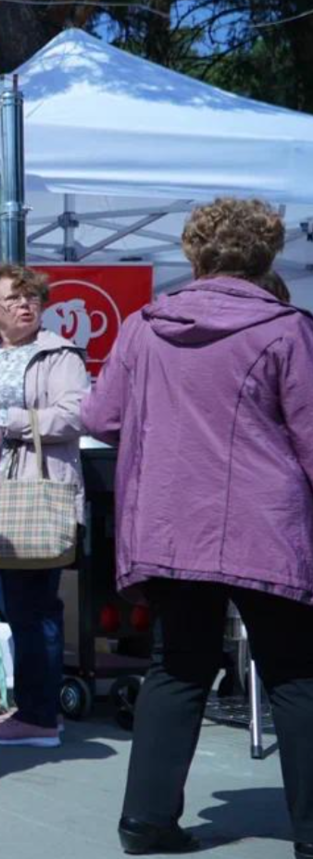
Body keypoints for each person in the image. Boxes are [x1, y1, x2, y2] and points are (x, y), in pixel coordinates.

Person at [80, 198, 313, 856]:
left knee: (178, 668)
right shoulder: (286, 329)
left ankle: (145, 823)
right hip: (265, 526)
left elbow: (99, 418)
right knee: (297, 673)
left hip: (171, 521)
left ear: (193, 254)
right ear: (265, 257)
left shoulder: (144, 326)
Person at [0, 264, 89, 749]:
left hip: (33, 491)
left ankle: (39, 715)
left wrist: (12, 422)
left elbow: (77, 413)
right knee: (8, 601)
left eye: (32, 297)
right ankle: (33, 705)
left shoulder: (58, 354)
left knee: (33, 604)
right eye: (14, 298)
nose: (25, 304)